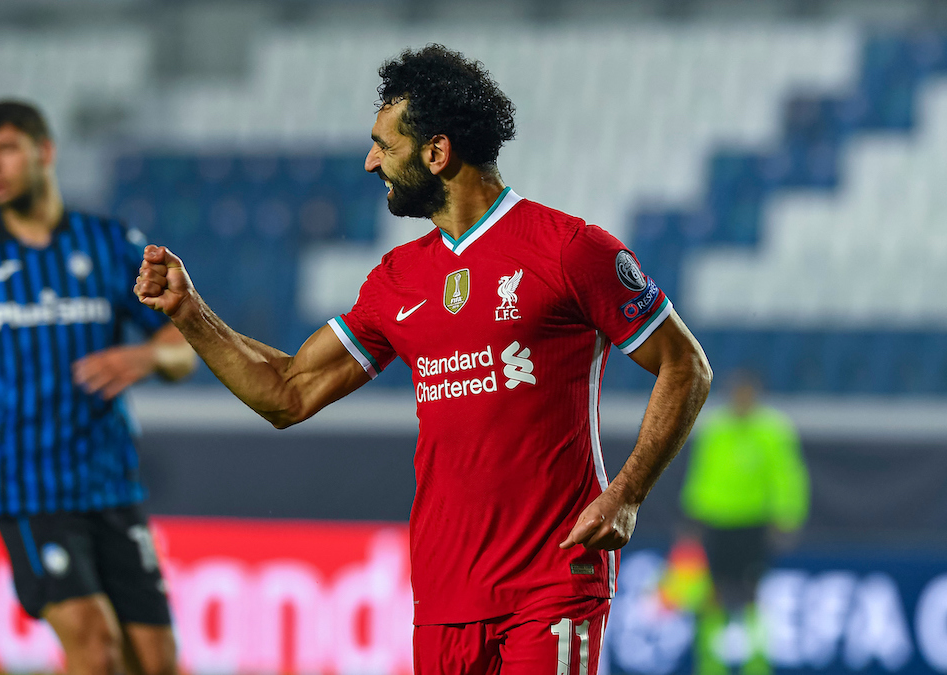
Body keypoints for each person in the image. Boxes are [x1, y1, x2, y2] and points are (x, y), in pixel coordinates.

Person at [136, 45, 713, 674]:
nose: (369, 161)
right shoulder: (396, 279)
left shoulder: (571, 250)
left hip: (552, 579)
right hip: (445, 592)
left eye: (385, 144)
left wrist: (626, 495)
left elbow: (686, 366)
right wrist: (190, 313)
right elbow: (289, 392)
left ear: (437, 153)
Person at [0, 100, 196, 675]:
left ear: (44, 152)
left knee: (157, 662)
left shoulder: (110, 244)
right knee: (95, 648)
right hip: (29, 491)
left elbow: (184, 348)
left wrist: (147, 356)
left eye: (4, 150)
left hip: (112, 485)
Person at [679, 371, 809, 675]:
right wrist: (691, 517)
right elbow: (700, 473)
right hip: (716, 521)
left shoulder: (773, 430)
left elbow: (788, 476)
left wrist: (788, 514)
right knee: (711, 595)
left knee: (753, 595)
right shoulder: (715, 429)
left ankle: (756, 664)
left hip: (753, 522)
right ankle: (711, 666)